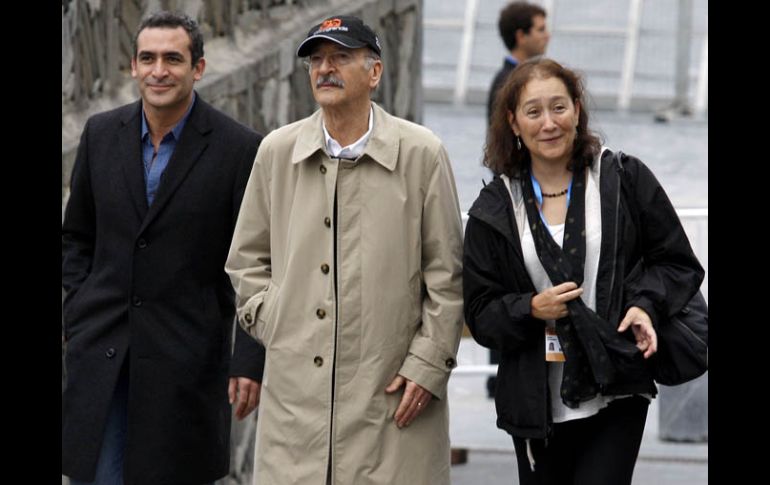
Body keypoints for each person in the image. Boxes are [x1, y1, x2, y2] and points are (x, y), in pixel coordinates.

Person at [225, 14, 464, 485]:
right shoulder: (277, 151)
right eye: (316, 60)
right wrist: (276, 320)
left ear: (374, 72)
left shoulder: (423, 153)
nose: (325, 69)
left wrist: (427, 366)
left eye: (340, 57)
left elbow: (447, 275)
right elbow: (246, 260)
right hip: (295, 404)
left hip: (392, 397)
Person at [463, 58, 704, 485]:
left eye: (559, 107)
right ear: (513, 122)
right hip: (534, 400)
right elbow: (481, 312)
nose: (549, 123)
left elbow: (676, 263)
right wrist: (530, 308)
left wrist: (644, 305)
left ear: (577, 110)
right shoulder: (495, 208)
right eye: (533, 112)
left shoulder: (622, 179)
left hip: (617, 384)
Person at [61, 11, 265, 485]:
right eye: (148, 58)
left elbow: (257, 263)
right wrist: (78, 312)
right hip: (102, 355)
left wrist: (249, 360)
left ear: (198, 68)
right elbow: (76, 237)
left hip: (185, 364)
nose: (159, 71)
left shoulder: (239, 149)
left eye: (173, 59)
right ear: (133, 66)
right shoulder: (99, 135)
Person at [487, 1, 550, 125]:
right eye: (541, 30)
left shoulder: (510, 77)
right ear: (521, 36)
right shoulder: (509, 81)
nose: (547, 36)